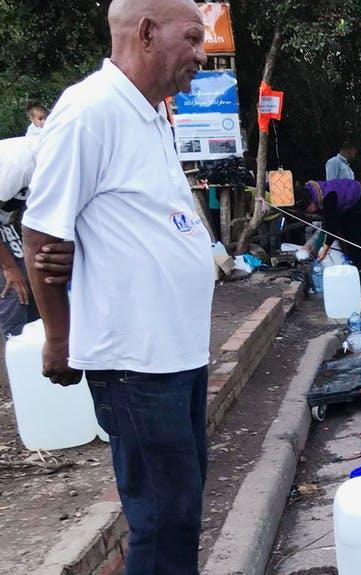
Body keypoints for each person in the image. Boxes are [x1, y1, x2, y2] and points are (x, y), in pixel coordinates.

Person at [22, 1, 212, 572]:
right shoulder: (90, 111)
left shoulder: (152, 114)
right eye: (194, 38)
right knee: (160, 518)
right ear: (148, 33)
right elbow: (42, 233)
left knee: (180, 510)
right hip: (135, 362)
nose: (201, 55)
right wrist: (59, 337)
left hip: (178, 354)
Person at [0, 137, 41, 336]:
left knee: (33, 280)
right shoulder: (18, 164)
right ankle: (8, 350)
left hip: (7, 221)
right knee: (14, 289)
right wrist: (9, 267)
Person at [296, 178, 361, 269]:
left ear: (311, 201)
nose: (309, 211)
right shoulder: (311, 194)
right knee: (342, 235)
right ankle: (351, 263)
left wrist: (325, 248)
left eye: (308, 208)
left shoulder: (328, 197)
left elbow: (331, 227)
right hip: (344, 205)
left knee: (355, 239)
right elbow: (328, 223)